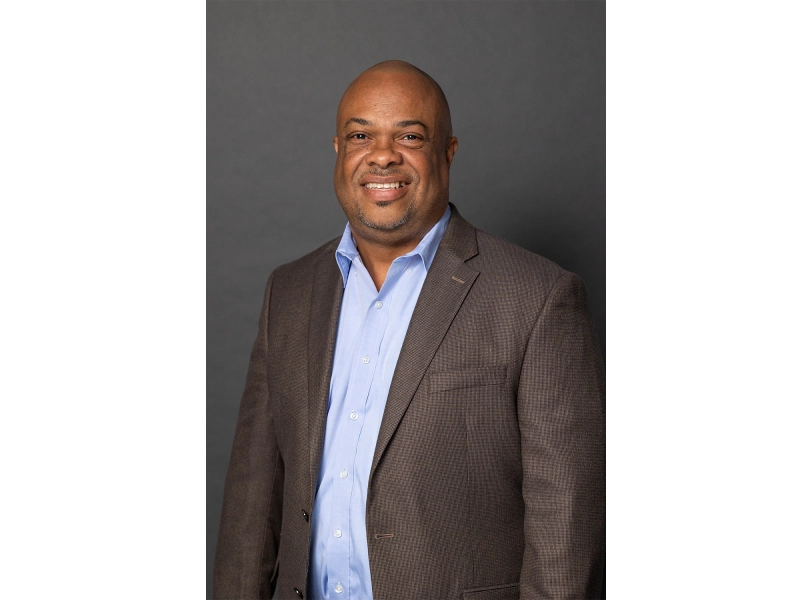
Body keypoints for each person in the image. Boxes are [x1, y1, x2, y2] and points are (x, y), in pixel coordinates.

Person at [214, 60, 605, 600]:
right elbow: (253, 499)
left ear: (448, 151)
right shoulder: (290, 291)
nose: (382, 155)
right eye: (360, 135)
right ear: (338, 150)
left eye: (409, 135)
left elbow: (567, 517)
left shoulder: (538, 297)